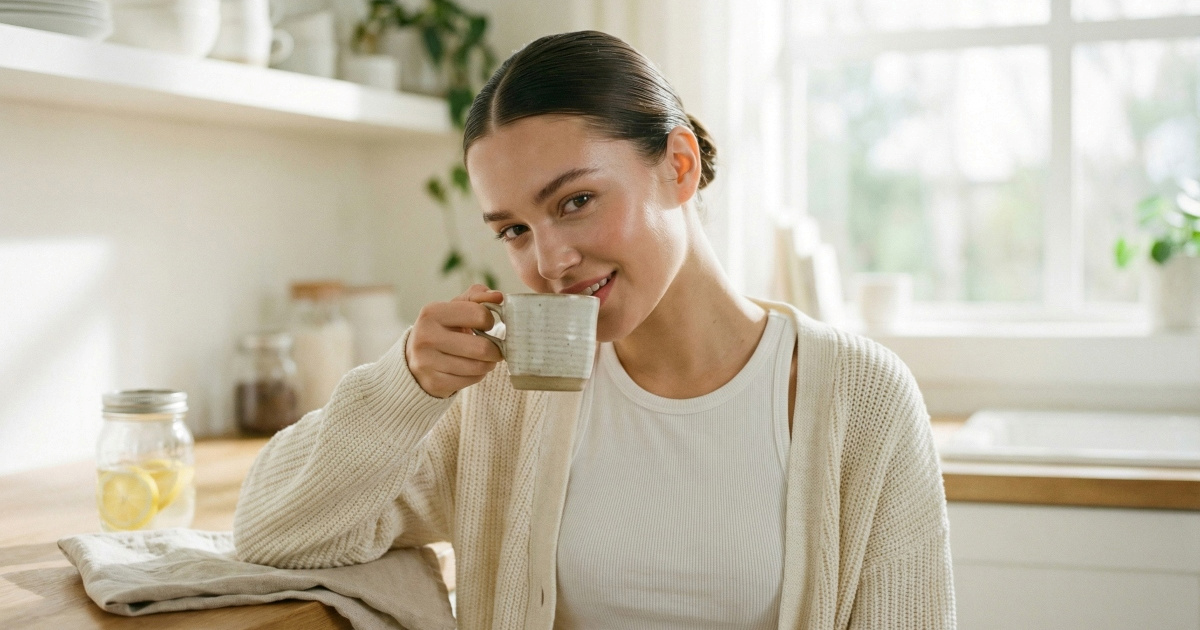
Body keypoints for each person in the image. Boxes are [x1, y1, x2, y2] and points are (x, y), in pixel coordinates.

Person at [233, 30, 955, 630]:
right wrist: (407, 384)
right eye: (514, 229)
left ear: (677, 166)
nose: (549, 261)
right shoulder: (507, 400)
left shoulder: (861, 399)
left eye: (575, 200)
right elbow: (276, 531)